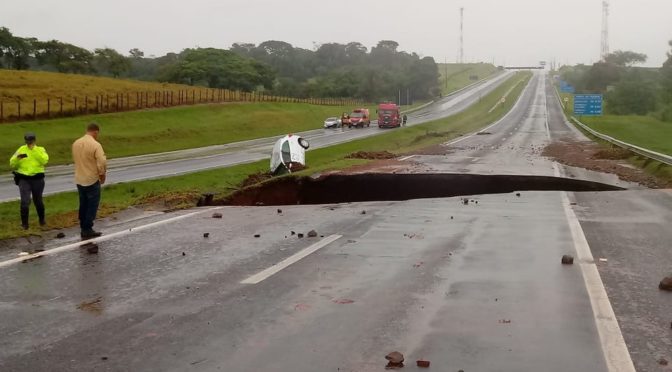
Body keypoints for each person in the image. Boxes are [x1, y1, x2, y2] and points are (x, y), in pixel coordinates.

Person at [72, 123, 107, 239]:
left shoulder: (76, 143)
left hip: (79, 178)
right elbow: (101, 161)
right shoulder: (95, 145)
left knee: (83, 203)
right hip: (91, 178)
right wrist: (102, 175)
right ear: (95, 132)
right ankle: (88, 228)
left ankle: (83, 226)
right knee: (92, 204)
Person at [9, 132, 49, 230]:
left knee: (38, 200)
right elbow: (12, 163)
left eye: (31, 141)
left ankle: (42, 220)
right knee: (25, 201)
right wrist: (17, 159)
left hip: (37, 179)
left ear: (34, 141)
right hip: (24, 179)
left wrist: (34, 150)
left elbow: (44, 161)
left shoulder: (40, 149)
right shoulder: (21, 150)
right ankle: (25, 224)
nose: (29, 143)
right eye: (27, 141)